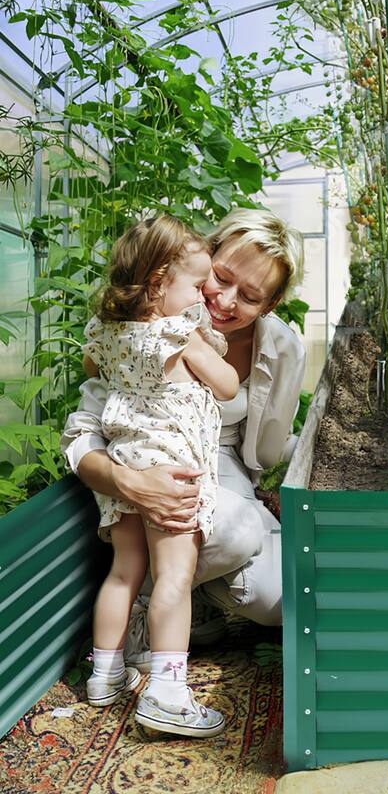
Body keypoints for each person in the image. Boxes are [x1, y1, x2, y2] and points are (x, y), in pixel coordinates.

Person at [61, 207, 306, 696]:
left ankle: (188, 605)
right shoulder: (153, 317)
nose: (225, 301)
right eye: (220, 277)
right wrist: (127, 481)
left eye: (251, 296)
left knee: (282, 599)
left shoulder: (282, 346)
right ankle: (154, 634)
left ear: (273, 303)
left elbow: (267, 451)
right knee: (235, 531)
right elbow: (88, 424)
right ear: (204, 254)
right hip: (146, 459)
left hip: (223, 460)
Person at [80, 214, 240, 736]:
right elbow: (228, 385)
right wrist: (197, 344)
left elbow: (91, 369)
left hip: (126, 464)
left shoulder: (104, 330)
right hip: (171, 472)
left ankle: (104, 675)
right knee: (174, 577)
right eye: (196, 285)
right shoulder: (178, 332)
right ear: (158, 285)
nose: (203, 296)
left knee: (125, 570)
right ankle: (169, 695)